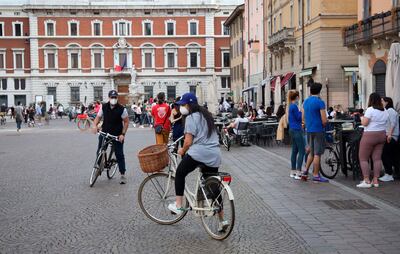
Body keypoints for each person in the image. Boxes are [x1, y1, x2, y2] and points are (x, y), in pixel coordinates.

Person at [167, 93, 228, 231]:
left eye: (183, 105)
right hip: (215, 154)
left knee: (180, 173)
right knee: (213, 187)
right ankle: (222, 220)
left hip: (200, 153)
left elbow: (188, 142)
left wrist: (182, 150)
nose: (182, 107)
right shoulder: (207, 116)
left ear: (190, 105)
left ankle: (178, 205)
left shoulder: (190, 118)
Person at [93, 90, 129, 184]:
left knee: (119, 154)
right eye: (112, 97)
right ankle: (99, 166)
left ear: (117, 98)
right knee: (100, 150)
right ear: (109, 98)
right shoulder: (103, 106)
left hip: (117, 135)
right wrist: (95, 125)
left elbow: (126, 122)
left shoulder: (122, 109)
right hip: (105, 132)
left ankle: (122, 174)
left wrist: (123, 134)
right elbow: (98, 117)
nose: (113, 99)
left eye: (115, 97)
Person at [357, 93, 389, 188]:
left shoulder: (370, 109)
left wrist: (361, 118)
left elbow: (365, 123)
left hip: (370, 135)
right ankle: (375, 180)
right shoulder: (385, 110)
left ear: (370, 100)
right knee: (377, 158)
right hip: (382, 134)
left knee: (363, 158)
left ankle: (366, 180)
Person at [301, 83, 329, 183]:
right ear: (319, 91)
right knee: (317, 154)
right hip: (318, 130)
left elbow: (302, 117)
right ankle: (316, 175)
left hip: (309, 130)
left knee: (311, 153)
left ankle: (305, 171)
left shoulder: (305, 102)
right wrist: (325, 123)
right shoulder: (320, 102)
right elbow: (324, 120)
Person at [379, 97, 399, 182]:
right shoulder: (388, 111)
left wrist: (390, 134)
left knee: (385, 155)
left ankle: (388, 174)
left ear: (387, 102)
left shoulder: (390, 111)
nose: (381, 102)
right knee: (392, 156)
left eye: (382, 101)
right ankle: (392, 173)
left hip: (391, 136)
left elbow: (393, 123)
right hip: (391, 136)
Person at [288, 91, 305, 180]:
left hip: (292, 129)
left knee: (294, 151)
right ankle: (298, 172)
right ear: (297, 97)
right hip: (297, 130)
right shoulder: (294, 106)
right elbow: (299, 118)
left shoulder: (291, 106)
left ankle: (293, 171)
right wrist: (302, 111)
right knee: (302, 151)